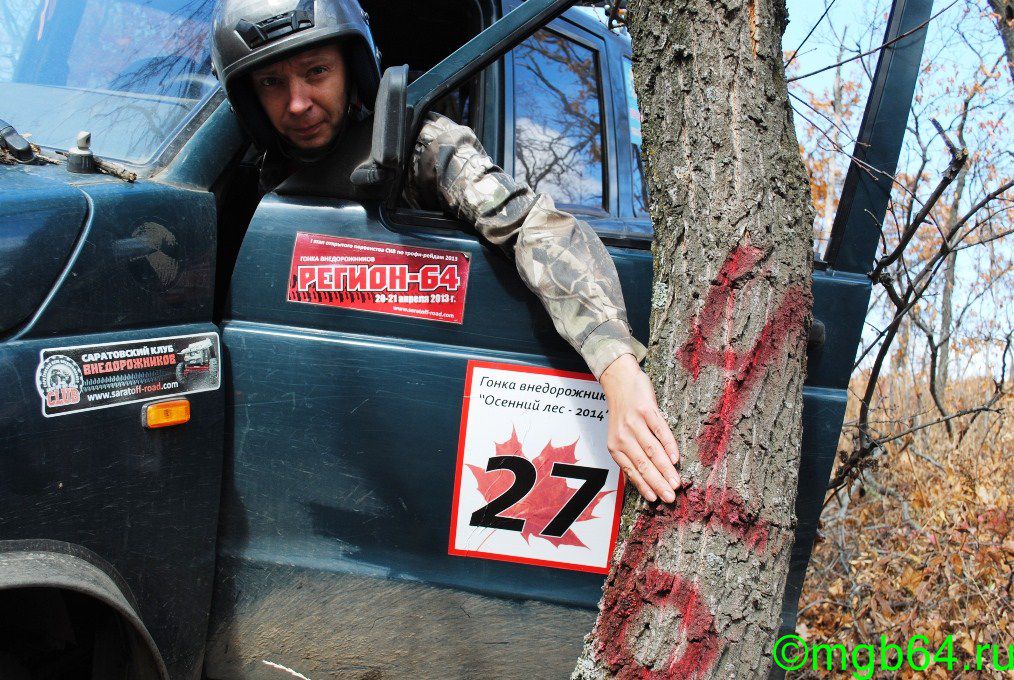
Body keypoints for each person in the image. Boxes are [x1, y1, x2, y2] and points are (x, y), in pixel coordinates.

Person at [211, 0, 682, 503]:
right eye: (271, 83)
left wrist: (617, 369)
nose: (297, 103)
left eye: (316, 72)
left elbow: (535, 228)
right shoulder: (250, 166)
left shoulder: (421, 145)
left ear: (354, 68)